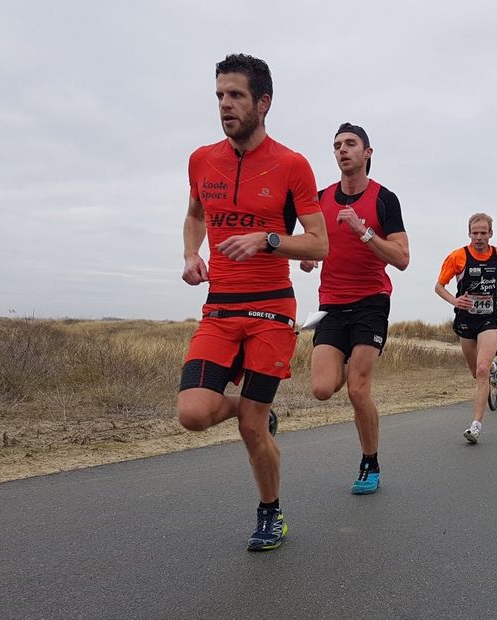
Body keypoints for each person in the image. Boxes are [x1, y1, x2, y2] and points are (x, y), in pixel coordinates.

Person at [176, 54, 328, 552]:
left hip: (270, 311)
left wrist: (268, 239)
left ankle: (271, 514)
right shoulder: (202, 159)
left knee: (249, 429)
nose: (225, 104)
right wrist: (191, 253)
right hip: (219, 308)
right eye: (220, 95)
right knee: (193, 414)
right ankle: (253, 409)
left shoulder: (292, 165)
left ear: (263, 102)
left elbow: (319, 244)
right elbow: (196, 213)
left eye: (236, 95)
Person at [299, 123, 409, 495]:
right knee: (321, 388)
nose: (342, 150)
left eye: (350, 144)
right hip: (330, 305)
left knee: (358, 389)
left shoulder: (383, 199)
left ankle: (370, 461)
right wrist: (308, 258)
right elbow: (309, 243)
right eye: (336, 146)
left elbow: (403, 258)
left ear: (367, 153)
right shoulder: (320, 199)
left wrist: (364, 232)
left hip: (370, 302)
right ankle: (344, 360)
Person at [434, 213, 497, 443]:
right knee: (475, 372)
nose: (479, 237)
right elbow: (439, 286)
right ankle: (492, 369)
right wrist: (454, 300)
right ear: (469, 233)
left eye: (483, 232)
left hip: (490, 317)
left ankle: (476, 426)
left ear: (491, 233)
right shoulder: (457, 257)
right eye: (475, 232)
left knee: (481, 370)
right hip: (465, 319)